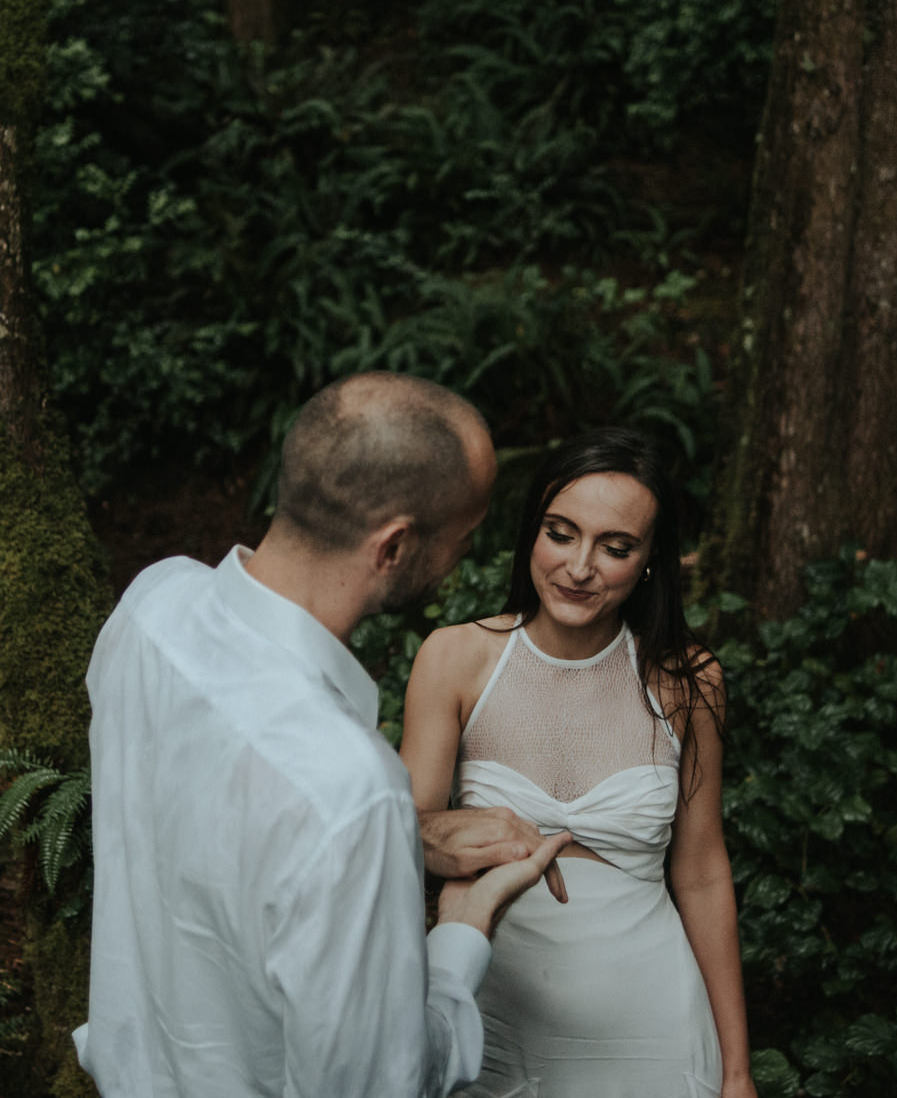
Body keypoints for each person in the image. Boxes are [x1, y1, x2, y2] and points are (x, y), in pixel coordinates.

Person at [75, 371, 570, 1097]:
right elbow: (378, 1084)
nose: (468, 556)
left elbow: (216, 818)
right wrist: (463, 930)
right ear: (394, 546)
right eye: (466, 536)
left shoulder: (151, 604)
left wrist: (411, 837)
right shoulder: (351, 788)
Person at [400, 428, 755, 1098]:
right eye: (560, 533)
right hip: (497, 1022)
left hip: (654, 1021)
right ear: (532, 530)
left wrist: (737, 1071)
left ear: (651, 559)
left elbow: (704, 871)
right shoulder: (453, 659)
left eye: (615, 547)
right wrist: (449, 838)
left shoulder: (688, 680)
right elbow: (400, 838)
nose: (580, 565)